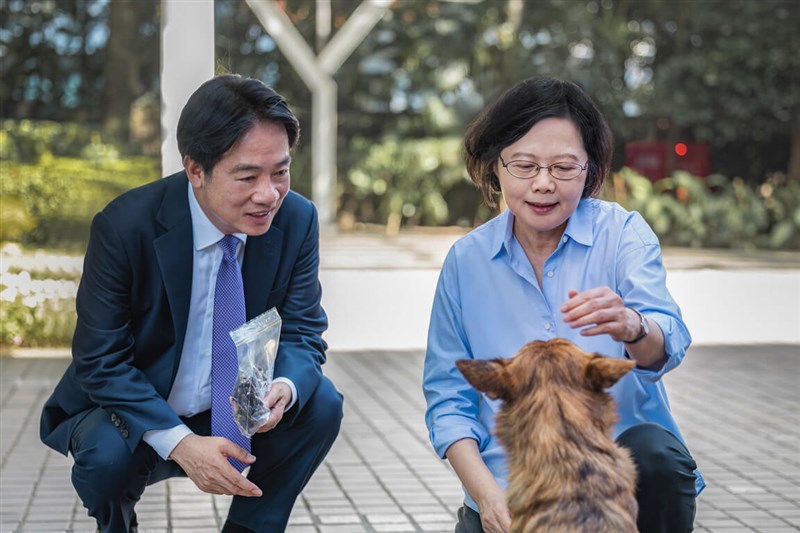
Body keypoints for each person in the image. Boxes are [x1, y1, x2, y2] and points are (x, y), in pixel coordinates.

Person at [40, 74, 344, 532]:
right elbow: (100, 360)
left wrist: (285, 384)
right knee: (105, 457)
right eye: (247, 176)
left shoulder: (296, 219)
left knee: (320, 403)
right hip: (139, 413)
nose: (269, 194)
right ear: (195, 170)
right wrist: (180, 442)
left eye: (280, 171)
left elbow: (303, 329)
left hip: (237, 410)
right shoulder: (126, 227)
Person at [423, 77, 703, 533]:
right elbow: (448, 400)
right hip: (514, 488)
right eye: (524, 165)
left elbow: (666, 344)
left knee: (658, 455)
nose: (543, 184)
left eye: (564, 167)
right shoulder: (466, 261)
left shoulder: (622, 234)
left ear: (589, 169)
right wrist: (487, 496)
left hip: (615, 484)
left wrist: (632, 326)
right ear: (497, 166)